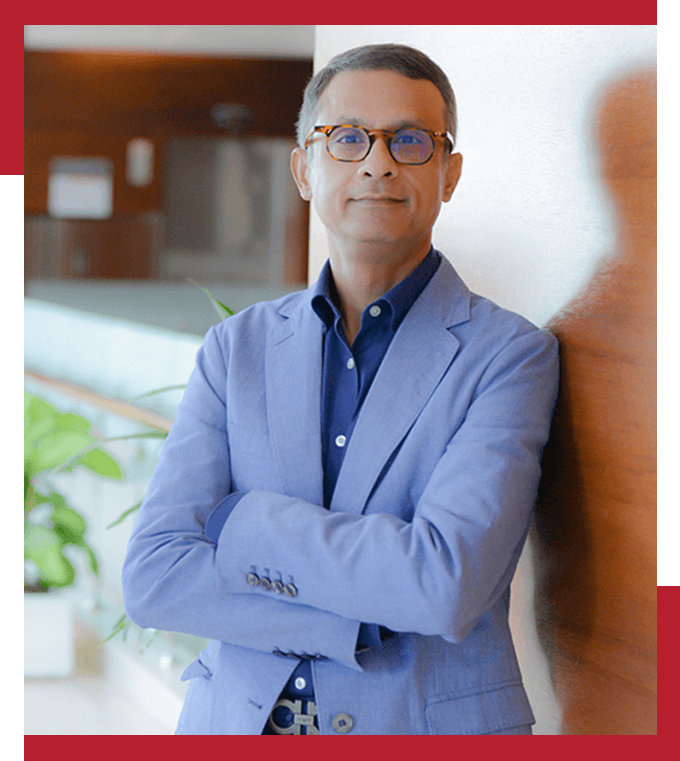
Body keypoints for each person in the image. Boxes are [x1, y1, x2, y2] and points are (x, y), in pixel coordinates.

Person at [121, 43, 559, 735]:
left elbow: (443, 584)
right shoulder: (236, 349)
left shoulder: (508, 356)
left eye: (410, 141)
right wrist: (352, 620)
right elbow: (156, 575)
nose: (378, 163)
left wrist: (244, 523)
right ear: (304, 169)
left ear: (449, 173)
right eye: (348, 137)